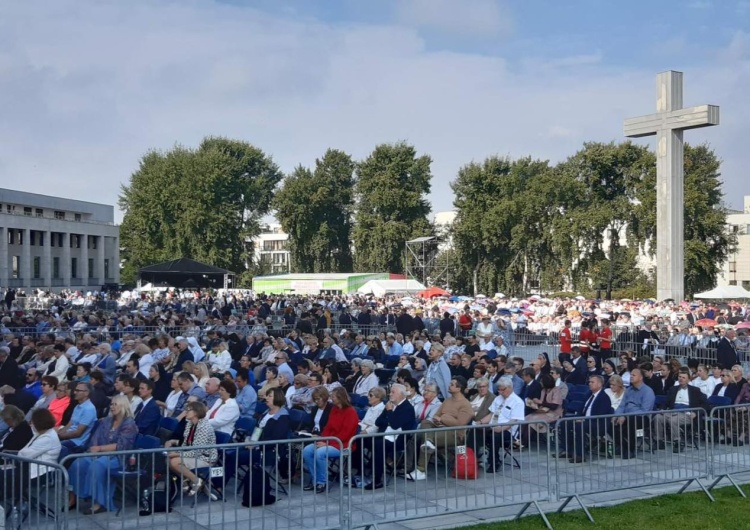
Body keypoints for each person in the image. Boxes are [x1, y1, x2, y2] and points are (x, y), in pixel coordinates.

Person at [67, 395, 138, 514]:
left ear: (123, 406)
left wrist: (100, 449)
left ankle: (100, 503)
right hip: (100, 453)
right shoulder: (106, 421)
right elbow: (96, 437)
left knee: (97, 466)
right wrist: (93, 450)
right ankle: (75, 497)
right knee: (78, 464)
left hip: (119, 456)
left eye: (115, 404)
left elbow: (121, 445)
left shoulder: (129, 424)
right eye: (111, 404)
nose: (112, 407)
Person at [406, 377, 474, 481]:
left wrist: (443, 419)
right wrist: (444, 419)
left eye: (452, 384)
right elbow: (435, 417)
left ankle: (421, 469)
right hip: (438, 428)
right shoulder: (447, 401)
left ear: (459, 388)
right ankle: (407, 466)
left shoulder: (465, 404)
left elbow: (460, 424)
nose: (449, 386)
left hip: (454, 434)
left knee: (426, 437)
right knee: (424, 424)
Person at [302, 387, 359, 493]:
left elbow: (345, 435)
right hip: (330, 441)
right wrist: (322, 439)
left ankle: (322, 482)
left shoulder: (351, 412)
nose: (331, 398)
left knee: (320, 453)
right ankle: (315, 480)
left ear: (340, 397)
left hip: (343, 444)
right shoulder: (334, 409)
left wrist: (326, 443)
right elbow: (328, 427)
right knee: (307, 450)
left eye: (333, 396)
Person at [364, 384, 416, 490]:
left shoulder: (407, 408)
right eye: (390, 392)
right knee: (361, 440)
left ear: (401, 395)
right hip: (384, 435)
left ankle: (377, 479)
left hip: (398, 440)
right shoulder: (390, 404)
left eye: (393, 392)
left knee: (379, 445)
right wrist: (388, 419)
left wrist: (389, 412)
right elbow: (378, 422)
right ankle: (361, 470)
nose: (390, 394)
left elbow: (395, 425)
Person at [471, 377, 525, 472]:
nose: (500, 392)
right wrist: (480, 422)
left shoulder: (517, 402)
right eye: (499, 389)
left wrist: (501, 428)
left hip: (507, 430)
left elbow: (514, 421)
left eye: (502, 390)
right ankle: (472, 459)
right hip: (492, 426)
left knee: (495, 435)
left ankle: (494, 462)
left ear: (509, 388)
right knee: (475, 430)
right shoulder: (498, 399)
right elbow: (491, 414)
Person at [165, 401, 218, 496]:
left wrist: (177, 454)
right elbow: (186, 444)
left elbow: (197, 452)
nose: (186, 412)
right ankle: (186, 481)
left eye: (188, 410)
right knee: (167, 460)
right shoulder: (190, 424)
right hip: (193, 454)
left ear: (196, 413)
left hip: (205, 458)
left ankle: (197, 481)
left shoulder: (204, 427)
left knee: (174, 462)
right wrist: (175, 451)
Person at [558, 375, 612, 463]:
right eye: (589, 382)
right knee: (565, 422)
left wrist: (584, 420)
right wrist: (579, 417)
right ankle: (567, 450)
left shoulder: (604, 398)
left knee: (580, 426)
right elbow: (581, 408)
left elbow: (600, 415)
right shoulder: (589, 394)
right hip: (585, 419)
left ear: (599, 384)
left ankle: (580, 455)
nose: (589, 384)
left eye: (592, 382)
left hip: (595, 422)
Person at [653, 368, 707, 452]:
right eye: (679, 377)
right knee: (658, 417)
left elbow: (705, 403)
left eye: (683, 377)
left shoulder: (695, 390)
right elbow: (666, 402)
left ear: (688, 380)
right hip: (673, 411)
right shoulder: (673, 389)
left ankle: (677, 442)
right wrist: (662, 409)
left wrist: (696, 412)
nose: (681, 379)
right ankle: (659, 441)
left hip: (686, 413)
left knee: (673, 420)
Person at [613, 368, 656, 459]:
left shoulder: (648, 391)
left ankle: (630, 449)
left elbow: (645, 410)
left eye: (634, 375)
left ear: (640, 377)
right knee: (611, 421)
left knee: (631, 421)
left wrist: (626, 416)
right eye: (631, 375)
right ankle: (622, 446)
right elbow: (622, 405)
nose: (631, 377)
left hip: (642, 418)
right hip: (627, 416)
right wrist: (617, 415)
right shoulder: (628, 390)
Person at [57, 382, 97, 452]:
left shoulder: (89, 409)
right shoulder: (77, 406)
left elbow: (78, 433)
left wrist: (60, 436)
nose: (75, 392)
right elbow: (69, 424)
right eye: (75, 390)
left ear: (86, 393)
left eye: (78, 390)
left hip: (76, 442)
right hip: (68, 437)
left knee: (54, 447)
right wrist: (59, 434)